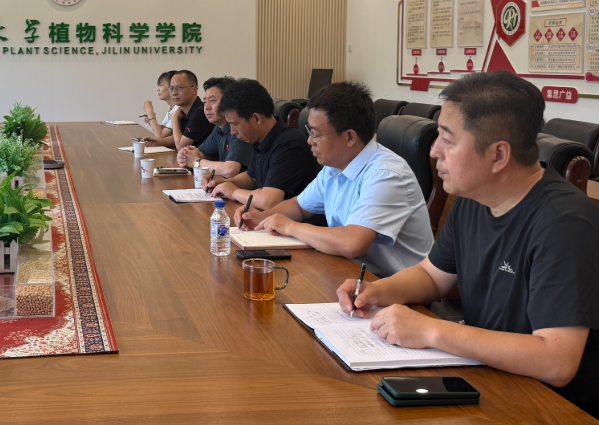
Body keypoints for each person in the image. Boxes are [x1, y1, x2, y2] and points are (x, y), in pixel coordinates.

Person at [336, 71, 599, 419]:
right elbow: (432, 276)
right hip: (502, 387)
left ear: (498, 154)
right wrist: (376, 291)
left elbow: (557, 361)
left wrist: (430, 330)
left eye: (447, 139)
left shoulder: (564, 224)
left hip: (581, 420)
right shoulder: (475, 199)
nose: (434, 151)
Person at [239, 82, 433, 277]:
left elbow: (352, 243)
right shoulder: (334, 166)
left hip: (393, 285)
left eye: (315, 134)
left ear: (349, 137)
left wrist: (290, 226)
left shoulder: (386, 174)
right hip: (349, 271)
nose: (309, 141)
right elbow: (299, 206)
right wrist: (264, 218)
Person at [207, 78, 318, 210]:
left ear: (256, 118)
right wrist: (224, 183)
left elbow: (268, 201)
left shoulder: (289, 143)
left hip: (294, 220)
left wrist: (233, 192)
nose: (232, 132)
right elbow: (252, 178)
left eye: (234, 124)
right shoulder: (260, 138)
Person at [176, 76, 251, 179]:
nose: (206, 107)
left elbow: (230, 170)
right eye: (205, 102)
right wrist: (186, 155)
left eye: (212, 101)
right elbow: (200, 153)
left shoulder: (239, 129)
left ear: (229, 101)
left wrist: (196, 162)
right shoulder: (219, 128)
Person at [170, 69, 214, 148]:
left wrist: (174, 119)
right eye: (172, 88)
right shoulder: (182, 111)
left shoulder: (200, 112)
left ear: (194, 90)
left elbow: (180, 145)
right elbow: (179, 137)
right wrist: (155, 142)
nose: (174, 93)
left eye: (179, 88)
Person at [142, 71, 180, 147]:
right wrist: (150, 121)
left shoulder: (178, 109)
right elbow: (163, 129)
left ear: (171, 87)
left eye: (161, 85)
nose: (158, 89)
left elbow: (160, 136)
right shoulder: (171, 108)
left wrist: (150, 113)